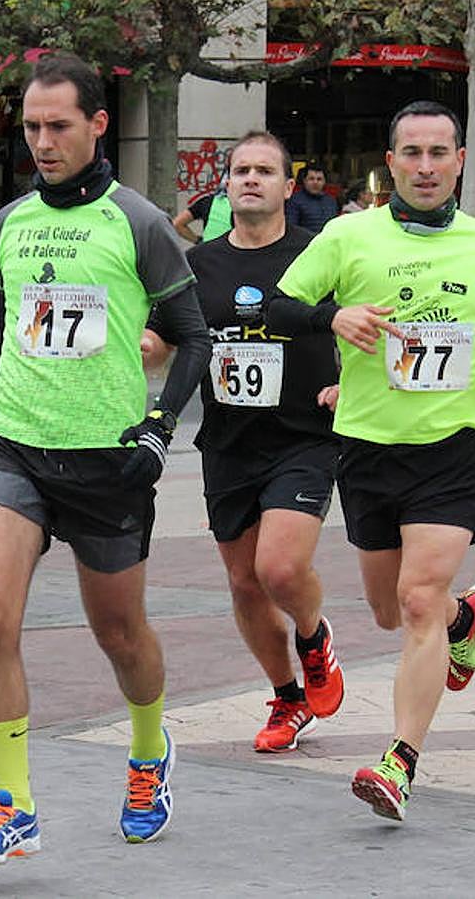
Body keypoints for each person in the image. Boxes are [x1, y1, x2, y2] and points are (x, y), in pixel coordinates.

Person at [0, 51, 212, 864]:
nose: (44, 142)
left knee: (120, 633)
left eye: (59, 126)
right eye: (32, 127)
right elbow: (3, 329)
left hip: (108, 459)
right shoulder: (12, 221)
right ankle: (13, 802)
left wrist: (159, 429)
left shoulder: (139, 222)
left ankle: (148, 752)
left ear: (97, 123)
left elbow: (193, 335)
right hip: (13, 443)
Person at [267, 99, 475, 822]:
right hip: (367, 444)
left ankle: (400, 761)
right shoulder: (346, 235)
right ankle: (463, 623)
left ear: (460, 161)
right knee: (392, 611)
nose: (426, 167)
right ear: (389, 162)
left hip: (454, 445)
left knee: (419, 598)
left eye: (439, 153)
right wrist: (333, 316)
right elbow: (279, 305)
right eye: (412, 154)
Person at [143, 130, 345, 755]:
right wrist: (140, 346)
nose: (250, 179)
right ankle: (287, 697)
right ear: (225, 186)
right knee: (244, 584)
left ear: (289, 186)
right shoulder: (197, 266)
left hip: (304, 436)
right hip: (229, 442)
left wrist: (351, 386)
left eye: (264, 170)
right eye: (240, 171)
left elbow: (365, 325)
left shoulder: (320, 255)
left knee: (279, 567)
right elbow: (163, 341)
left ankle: (314, 639)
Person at [285, 164, 337, 236]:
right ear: (304, 181)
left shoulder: (331, 201)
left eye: (319, 179)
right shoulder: (294, 201)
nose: (315, 182)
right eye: (311, 179)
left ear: (324, 182)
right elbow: (291, 228)